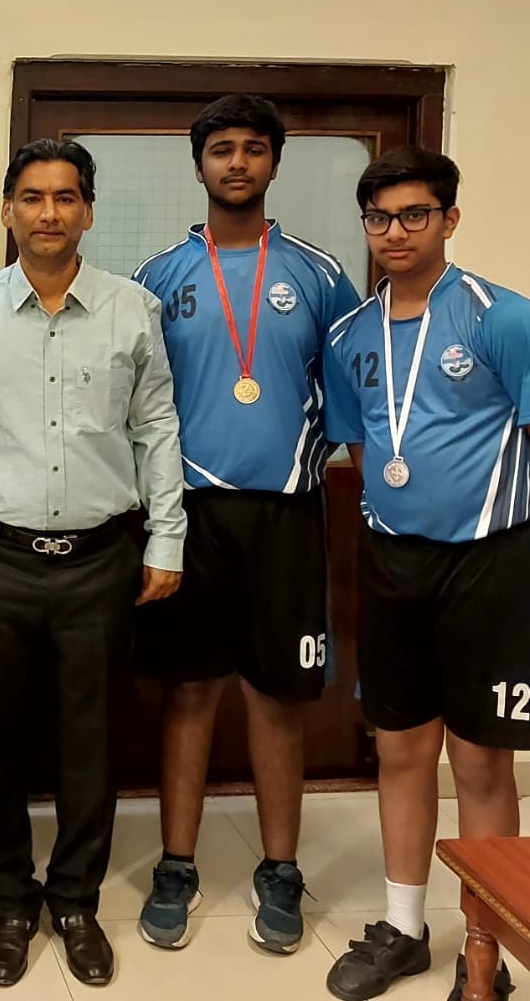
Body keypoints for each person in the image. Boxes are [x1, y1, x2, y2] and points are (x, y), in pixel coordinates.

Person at [0, 137, 186, 988]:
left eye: (66, 197)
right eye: (33, 197)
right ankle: (11, 899)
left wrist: (166, 538)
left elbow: (157, 428)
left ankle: (75, 900)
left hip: (100, 561)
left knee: (92, 740)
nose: (49, 213)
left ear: (87, 210)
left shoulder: (131, 309)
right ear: (9, 209)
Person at [130, 94, 361, 955]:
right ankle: (177, 865)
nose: (236, 162)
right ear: (199, 166)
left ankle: (280, 868)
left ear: (273, 164)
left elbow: (350, 395)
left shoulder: (319, 272)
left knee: (276, 695)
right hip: (186, 512)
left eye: (253, 149)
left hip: (288, 512)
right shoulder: (159, 276)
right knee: (189, 690)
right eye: (221, 149)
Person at [322, 148, 530, 1001]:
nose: (396, 232)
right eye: (380, 218)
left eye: (415, 214)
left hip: (493, 561)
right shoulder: (349, 337)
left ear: (449, 218)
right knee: (402, 750)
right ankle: (403, 928)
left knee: (480, 764)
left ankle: (485, 947)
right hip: (394, 561)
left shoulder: (501, 318)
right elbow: (369, 448)